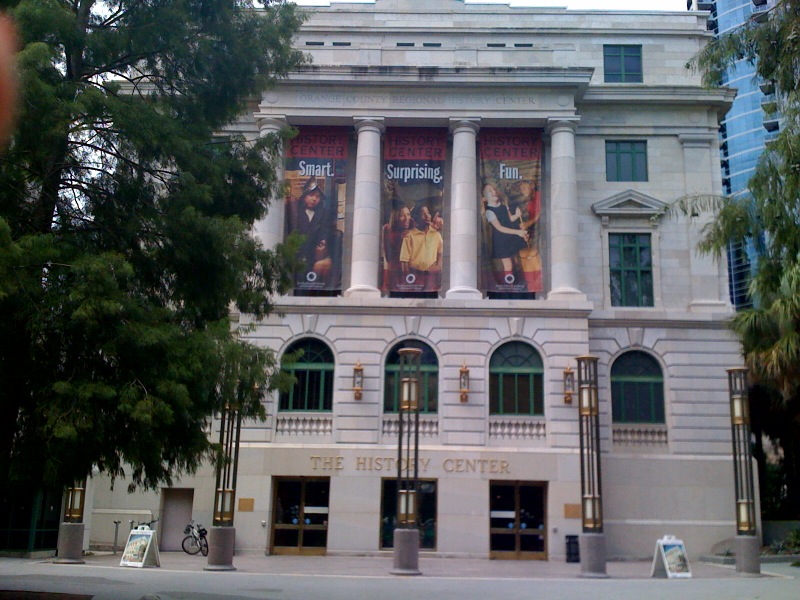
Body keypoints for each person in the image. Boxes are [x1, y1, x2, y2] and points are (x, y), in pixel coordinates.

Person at [482, 182, 528, 287]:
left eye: (494, 189)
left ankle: (518, 282)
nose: (494, 192)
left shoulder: (503, 206)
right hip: (501, 241)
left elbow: (510, 219)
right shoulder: (490, 212)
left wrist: (517, 215)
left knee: (517, 261)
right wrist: (518, 232)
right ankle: (510, 286)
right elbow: (500, 228)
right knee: (508, 265)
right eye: (490, 191)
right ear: (485, 198)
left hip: (511, 237)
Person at [399, 204, 443, 291]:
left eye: (428, 213)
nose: (427, 216)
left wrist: (438, 265)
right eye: (423, 214)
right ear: (416, 218)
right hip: (415, 275)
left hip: (432, 276)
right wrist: (408, 282)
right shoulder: (409, 236)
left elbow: (440, 252)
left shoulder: (436, 234)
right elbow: (404, 262)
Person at [381, 201, 412, 290]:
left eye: (408, 214)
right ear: (395, 217)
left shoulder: (412, 228)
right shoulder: (387, 229)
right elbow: (388, 256)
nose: (407, 218)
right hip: (393, 273)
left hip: (410, 273)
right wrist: (400, 238)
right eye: (402, 215)